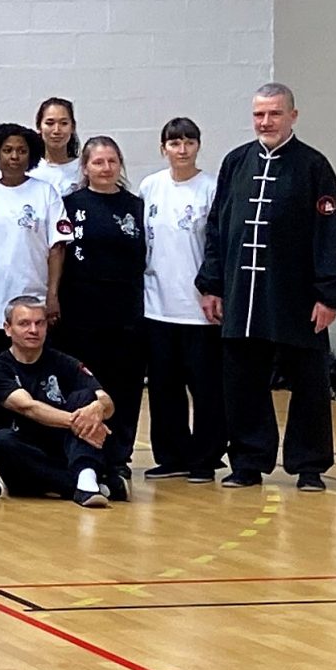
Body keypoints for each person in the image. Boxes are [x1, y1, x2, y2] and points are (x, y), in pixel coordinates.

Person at [200, 83, 336, 491]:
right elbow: (217, 228)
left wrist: (329, 295)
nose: (265, 122)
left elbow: (330, 233)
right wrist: (212, 285)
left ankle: (309, 465)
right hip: (241, 295)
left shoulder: (314, 166)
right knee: (243, 381)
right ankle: (249, 460)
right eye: (259, 115)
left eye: (274, 114)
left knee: (309, 382)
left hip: (297, 296)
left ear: (292, 116)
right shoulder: (235, 162)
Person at [0, 123, 70, 472]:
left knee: (33, 379)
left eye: (21, 150)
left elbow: (57, 248)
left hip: (32, 303)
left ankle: (33, 445)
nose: (15, 156)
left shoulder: (45, 193)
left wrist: (52, 295)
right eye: (7, 150)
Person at [48, 137, 145, 482]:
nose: (106, 168)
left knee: (124, 386)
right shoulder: (69, 204)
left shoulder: (136, 206)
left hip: (125, 311)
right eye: (98, 162)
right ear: (85, 167)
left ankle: (118, 455)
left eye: (112, 161)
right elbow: (56, 254)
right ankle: (83, 452)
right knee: (83, 385)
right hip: (79, 311)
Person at [138, 117, 224, 482]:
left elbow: (218, 245)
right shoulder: (150, 187)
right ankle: (172, 455)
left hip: (199, 309)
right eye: (175, 143)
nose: (182, 149)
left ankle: (205, 458)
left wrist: (213, 289)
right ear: (164, 148)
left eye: (189, 142)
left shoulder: (212, 188)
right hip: (157, 306)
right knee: (163, 388)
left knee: (205, 389)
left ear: (198, 146)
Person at [0, 297, 119, 507]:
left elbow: (105, 399)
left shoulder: (63, 361)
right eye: (24, 323)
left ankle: (87, 479)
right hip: (26, 458)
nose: (33, 330)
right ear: (8, 329)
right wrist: (81, 422)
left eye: (40, 323)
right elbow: (28, 407)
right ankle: (90, 483)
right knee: (3, 441)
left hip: (65, 449)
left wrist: (98, 408)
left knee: (86, 398)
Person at [30, 98, 83, 197]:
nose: (56, 130)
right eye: (50, 123)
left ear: (72, 127)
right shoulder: (29, 170)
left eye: (64, 123)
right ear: (39, 127)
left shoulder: (84, 170)